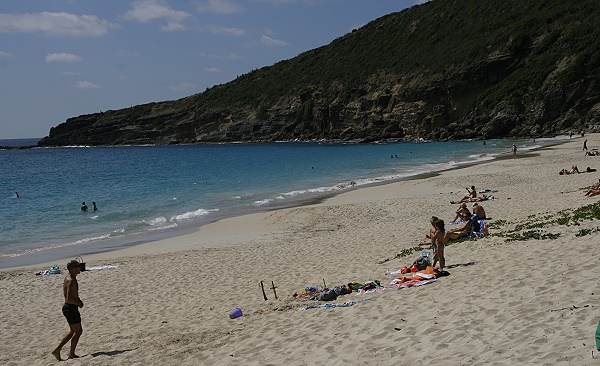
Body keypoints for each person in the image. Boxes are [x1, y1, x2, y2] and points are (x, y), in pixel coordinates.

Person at [52, 260, 84, 361]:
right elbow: (69, 298)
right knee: (78, 331)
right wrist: (79, 303)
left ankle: (57, 350)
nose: (80, 267)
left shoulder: (69, 277)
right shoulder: (71, 280)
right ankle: (71, 353)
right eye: (78, 266)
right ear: (73, 268)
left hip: (69, 308)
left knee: (72, 331)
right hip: (70, 308)